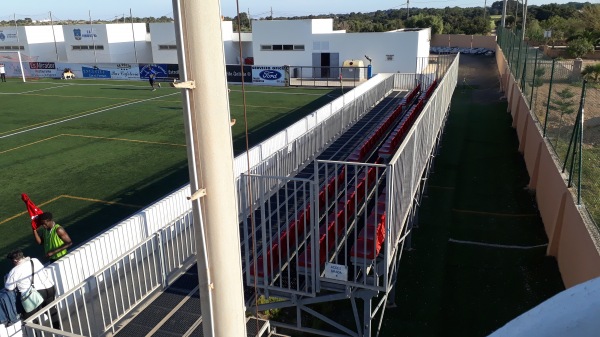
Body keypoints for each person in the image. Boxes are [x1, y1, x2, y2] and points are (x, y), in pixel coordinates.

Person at [5, 249, 58, 326]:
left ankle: (38, 334)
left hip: (34, 294)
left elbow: (9, 287)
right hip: (49, 287)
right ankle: (58, 330)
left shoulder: (14, 271)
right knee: (51, 310)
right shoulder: (34, 260)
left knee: (30, 318)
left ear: (15, 260)